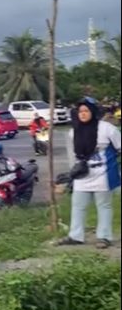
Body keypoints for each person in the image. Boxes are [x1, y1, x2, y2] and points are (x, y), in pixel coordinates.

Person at [58, 97, 121, 249]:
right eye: (80, 111)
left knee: (104, 206)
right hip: (83, 175)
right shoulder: (74, 131)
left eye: (86, 111)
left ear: (93, 112)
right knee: (78, 205)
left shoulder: (107, 129)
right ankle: (75, 236)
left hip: (103, 174)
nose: (83, 114)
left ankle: (104, 237)